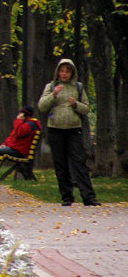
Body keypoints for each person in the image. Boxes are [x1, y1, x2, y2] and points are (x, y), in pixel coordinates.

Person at [38, 59, 100, 206]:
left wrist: (75, 104)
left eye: (67, 71)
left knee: (79, 162)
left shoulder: (77, 87)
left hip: (73, 129)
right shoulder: (51, 86)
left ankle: (88, 196)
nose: (64, 74)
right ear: (58, 72)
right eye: (62, 71)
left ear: (72, 72)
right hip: (55, 129)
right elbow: (42, 106)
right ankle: (66, 196)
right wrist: (53, 94)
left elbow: (86, 108)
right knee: (61, 163)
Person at [0, 106, 42, 182]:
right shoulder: (24, 124)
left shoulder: (30, 124)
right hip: (15, 148)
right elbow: (12, 137)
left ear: (26, 115)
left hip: (19, 151)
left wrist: (18, 120)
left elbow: (19, 133)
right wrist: (5, 144)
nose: (20, 114)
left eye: (22, 113)